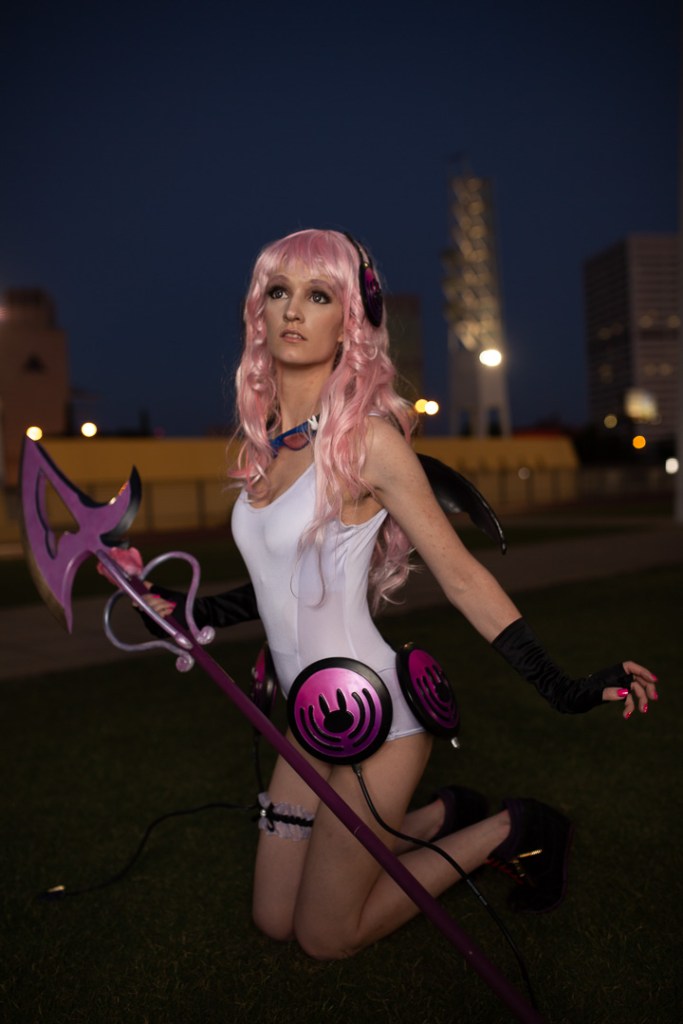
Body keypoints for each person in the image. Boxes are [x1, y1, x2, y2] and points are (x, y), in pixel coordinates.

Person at [138, 228, 658, 961]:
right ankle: (446, 812)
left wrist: (563, 687)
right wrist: (179, 607)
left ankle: (512, 828)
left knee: (325, 937)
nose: (293, 310)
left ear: (350, 321)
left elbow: (460, 575)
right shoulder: (266, 451)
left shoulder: (368, 444)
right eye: (278, 292)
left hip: (379, 717)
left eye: (319, 296)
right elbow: (280, 587)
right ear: (259, 312)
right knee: (273, 919)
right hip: (308, 719)